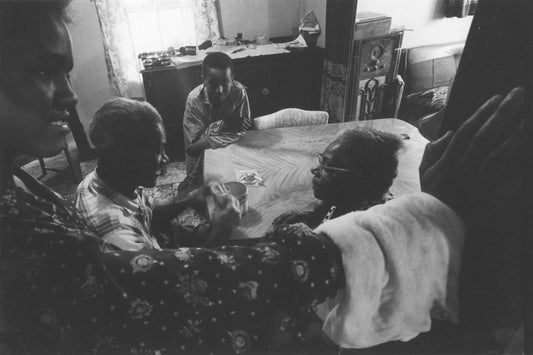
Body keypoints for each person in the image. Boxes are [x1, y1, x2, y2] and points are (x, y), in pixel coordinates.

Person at [0, 1, 527, 354]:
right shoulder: (25, 240)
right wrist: (419, 220)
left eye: (67, 73)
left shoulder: (25, 190)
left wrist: (196, 190)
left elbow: (245, 127)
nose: (68, 96)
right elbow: (165, 291)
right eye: (45, 72)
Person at [75, 98, 239, 250]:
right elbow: (177, 281)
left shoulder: (103, 179)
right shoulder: (121, 239)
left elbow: (147, 213)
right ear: (126, 156)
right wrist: (221, 230)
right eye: (158, 149)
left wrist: (188, 200)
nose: (166, 158)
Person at [273, 128, 403, 228]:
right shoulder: (358, 197)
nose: (314, 170)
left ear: (357, 180)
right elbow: (339, 206)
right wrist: (312, 215)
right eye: (321, 161)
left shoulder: (359, 229)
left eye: (328, 166)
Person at [179, 52, 251, 192]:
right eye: (212, 84)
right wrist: (225, 125)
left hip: (231, 154)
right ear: (203, 80)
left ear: (232, 80)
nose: (219, 91)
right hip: (200, 165)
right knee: (203, 198)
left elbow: (240, 132)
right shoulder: (194, 100)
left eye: (225, 83)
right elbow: (193, 148)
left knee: (243, 188)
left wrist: (209, 138)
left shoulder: (239, 92)